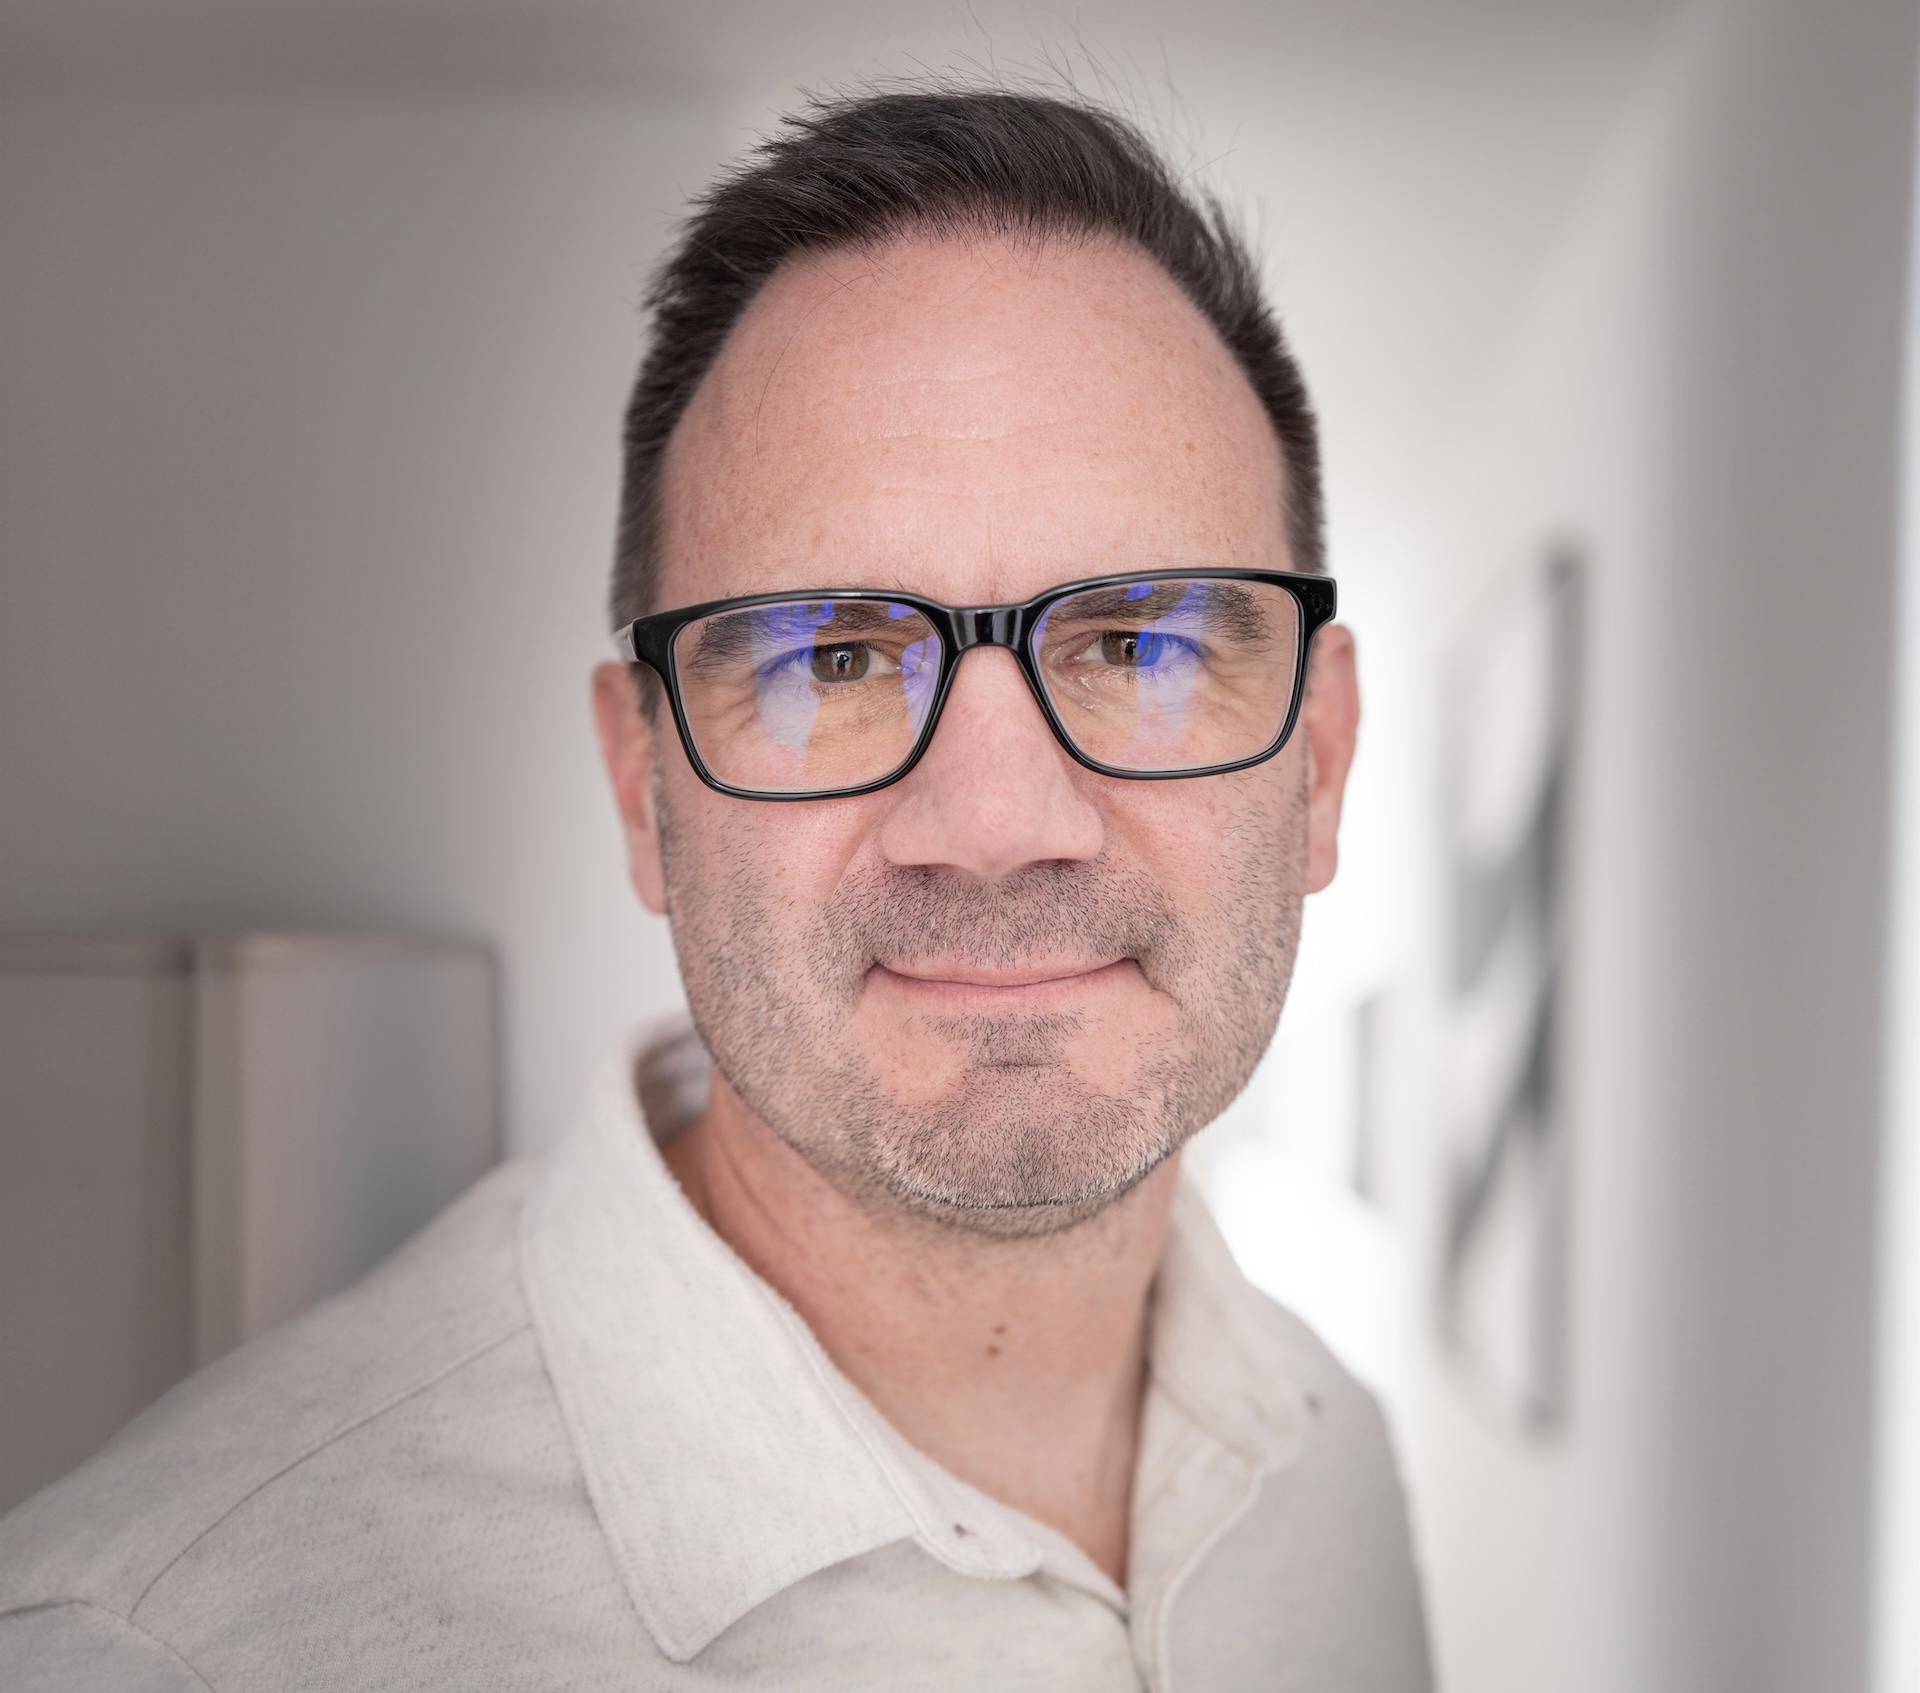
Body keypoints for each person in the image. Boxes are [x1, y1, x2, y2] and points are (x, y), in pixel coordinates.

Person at [0, 89, 1431, 1690]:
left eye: (1137, 643)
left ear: (1321, 762)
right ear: (643, 785)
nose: (994, 822)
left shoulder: (1339, 1464)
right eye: (834, 658)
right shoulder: (154, 1648)